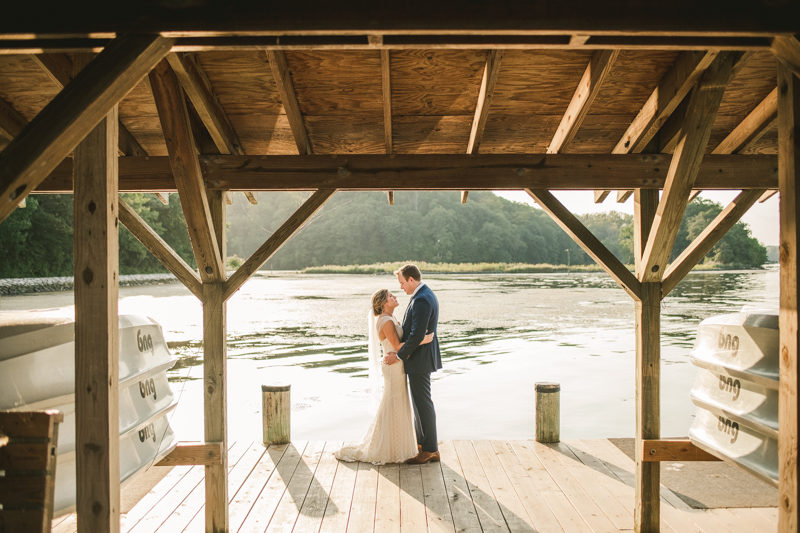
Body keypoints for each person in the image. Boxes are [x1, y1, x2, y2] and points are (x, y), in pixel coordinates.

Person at [334, 289, 434, 464]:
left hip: (397, 364)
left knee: (397, 402)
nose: (394, 296)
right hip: (393, 365)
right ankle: (386, 446)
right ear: (383, 303)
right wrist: (422, 340)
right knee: (392, 402)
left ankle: (397, 445)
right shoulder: (386, 321)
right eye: (390, 296)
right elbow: (396, 345)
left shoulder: (391, 319)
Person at [384, 264, 442, 464]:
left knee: (423, 402)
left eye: (401, 282)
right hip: (420, 357)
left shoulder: (422, 300)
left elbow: (417, 334)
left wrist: (399, 356)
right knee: (419, 402)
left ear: (411, 279)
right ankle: (422, 443)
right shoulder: (421, 296)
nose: (401, 287)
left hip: (420, 359)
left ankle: (431, 449)